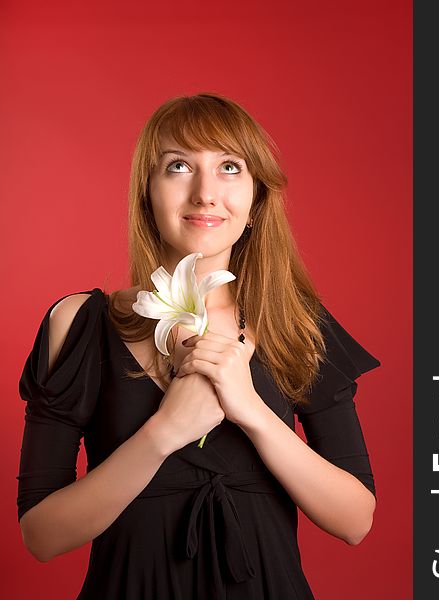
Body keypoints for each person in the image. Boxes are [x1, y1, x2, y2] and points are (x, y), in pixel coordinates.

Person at [16, 92, 381, 599]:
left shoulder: (297, 324)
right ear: (147, 192)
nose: (206, 193)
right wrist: (164, 431)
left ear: (255, 202)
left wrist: (250, 410)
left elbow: (355, 521)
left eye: (230, 167)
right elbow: (41, 536)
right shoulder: (78, 323)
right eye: (179, 166)